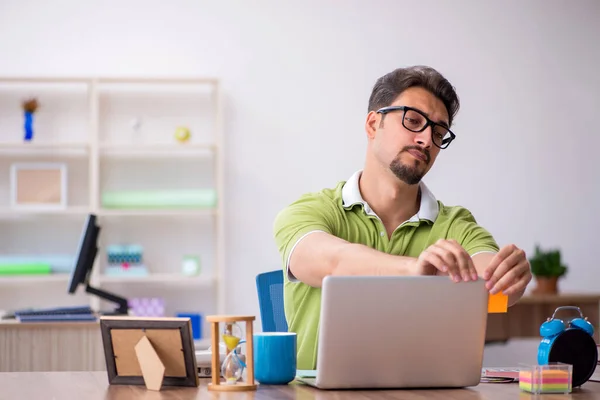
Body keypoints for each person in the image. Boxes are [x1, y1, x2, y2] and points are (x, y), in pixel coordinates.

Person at [273, 65, 532, 370]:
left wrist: (509, 279)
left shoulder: (456, 225)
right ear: (373, 124)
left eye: (438, 133)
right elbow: (331, 263)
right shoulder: (311, 211)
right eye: (413, 120)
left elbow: (490, 283)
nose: (426, 140)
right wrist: (416, 271)